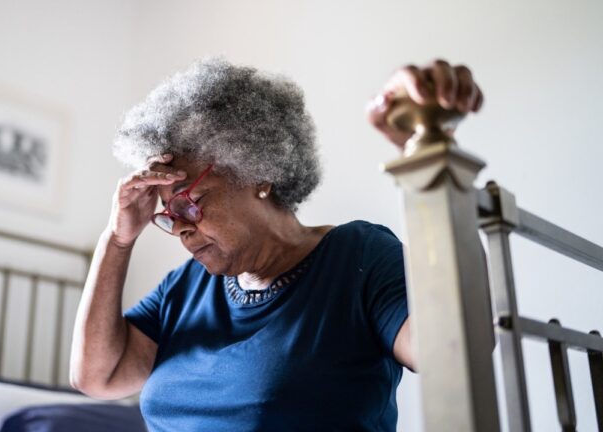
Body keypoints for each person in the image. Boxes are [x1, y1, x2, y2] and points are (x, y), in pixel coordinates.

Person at [70, 58, 483, 431]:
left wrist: (425, 153)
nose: (179, 229)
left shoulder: (359, 257)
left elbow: (451, 347)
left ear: (258, 173)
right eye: (168, 214)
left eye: (189, 204)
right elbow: (97, 377)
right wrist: (118, 239)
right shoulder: (185, 288)